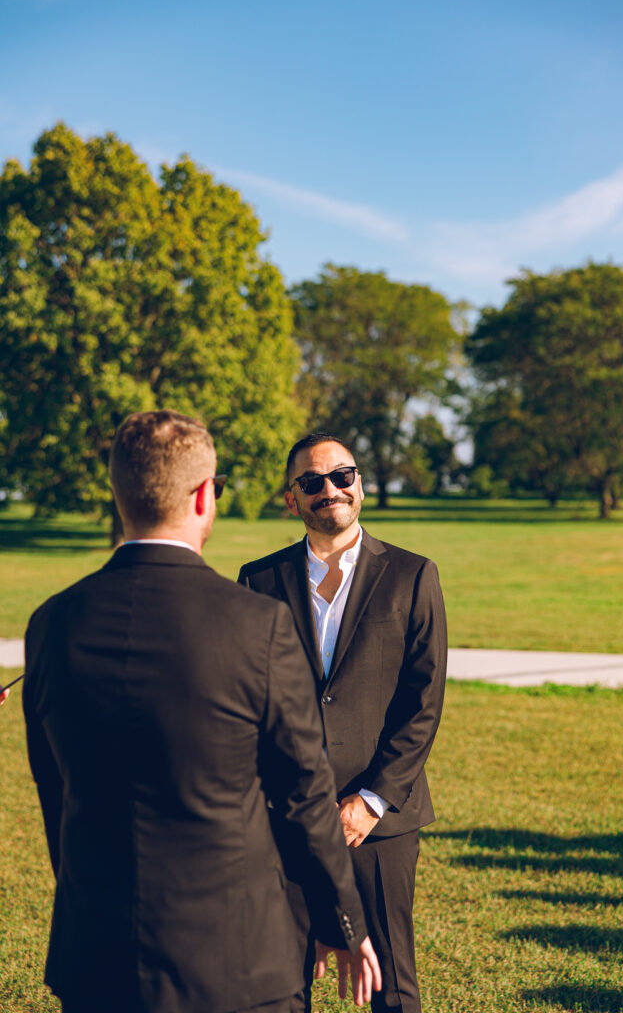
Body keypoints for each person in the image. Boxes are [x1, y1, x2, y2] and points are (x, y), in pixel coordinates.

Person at [23, 410, 380, 1013]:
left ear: (120, 494)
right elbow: (302, 795)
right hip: (236, 960)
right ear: (202, 498)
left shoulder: (52, 623)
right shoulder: (257, 624)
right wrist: (343, 921)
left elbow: (55, 792)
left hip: (97, 955)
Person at [238, 432, 448, 1013]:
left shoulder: (412, 574)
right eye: (312, 481)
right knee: (278, 985)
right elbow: (248, 701)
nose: (330, 489)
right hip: (285, 817)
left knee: (392, 988)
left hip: (379, 822)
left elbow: (423, 701)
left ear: (360, 484)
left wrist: (371, 800)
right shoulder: (257, 581)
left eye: (342, 476)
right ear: (291, 498)